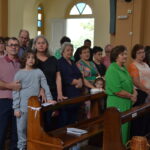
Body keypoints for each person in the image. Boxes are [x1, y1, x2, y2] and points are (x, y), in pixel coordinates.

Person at [13, 50, 56, 150]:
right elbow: (15, 91)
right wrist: (16, 108)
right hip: (22, 107)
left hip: (35, 107)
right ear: (24, 59)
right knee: (21, 130)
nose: (31, 60)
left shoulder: (38, 72)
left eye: (33, 57)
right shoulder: (19, 74)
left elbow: (45, 85)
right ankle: (21, 148)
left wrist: (49, 99)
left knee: (35, 130)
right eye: (28, 57)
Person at [105, 45, 137, 144]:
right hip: (116, 104)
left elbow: (130, 83)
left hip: (126, 103)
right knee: (118, 131)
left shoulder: (123, 68)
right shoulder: (112, 69)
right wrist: (131, 96)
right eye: (122, 54)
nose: (125, 56)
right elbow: (116, 90)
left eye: (126, 54)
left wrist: (134, 92)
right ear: (116, 56)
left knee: (125, 130)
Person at [33, 35, 65, 131]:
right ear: (34, 45)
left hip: (53, 92)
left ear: (47, 45)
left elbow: (58, 77)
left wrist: (60, 93)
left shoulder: (53, 59)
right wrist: (39, 89)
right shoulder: (32, 59)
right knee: (40, 121)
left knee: (53, 120)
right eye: (38, 43)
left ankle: (51, 143)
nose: (41, 45)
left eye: (43, 43)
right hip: (37, 94)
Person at [0, 37, 21, 150]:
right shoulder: (0, 61)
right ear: (6, 47)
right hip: (3, 101)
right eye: (11, 45)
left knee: (16, 133)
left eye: (16, 45)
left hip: (19, 102)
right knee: (1, 131)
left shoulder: (22, 62)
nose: (13, 47)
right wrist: (9, 86)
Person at [58, 42, 83, 127]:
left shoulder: (72, 62)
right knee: (65, 120)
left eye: (71, 50)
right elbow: (64, 78)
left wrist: (80, 80)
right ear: (63, 51)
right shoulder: (60, 62)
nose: (70, 52)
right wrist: (77, 82)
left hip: (76, 93)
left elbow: (79, 74)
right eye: (68, 50)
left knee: (74, 119)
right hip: (67, 93)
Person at [128, 44, 150, 136]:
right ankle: (137, 139)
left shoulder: (145, 64)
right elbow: (136, 82)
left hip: (148, 92)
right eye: (139, 52)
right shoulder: (133, 65)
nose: (142, 54)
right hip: (141, 93)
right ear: (134, 54)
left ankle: (144, 140)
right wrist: (146, 91)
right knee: (140, 118)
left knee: (147, 118)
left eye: (143, 52)